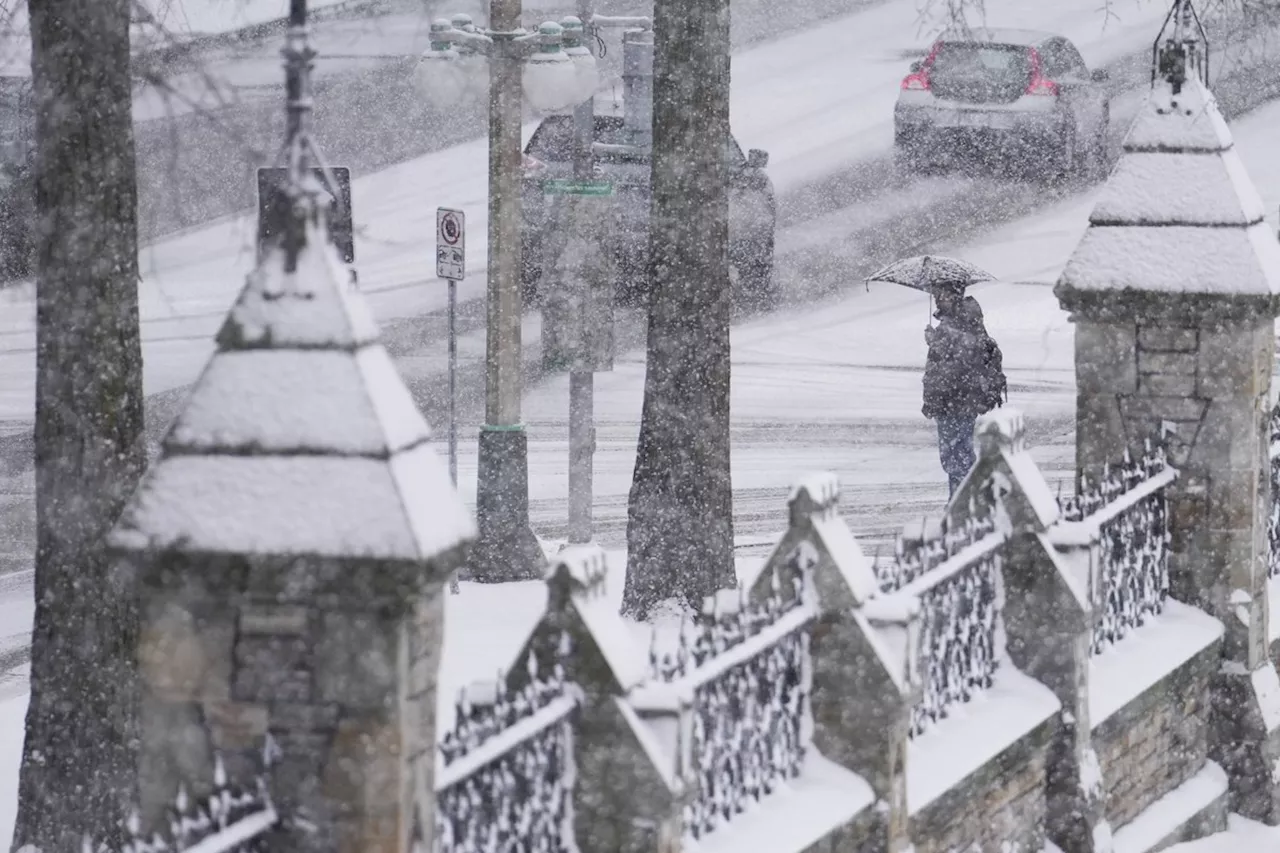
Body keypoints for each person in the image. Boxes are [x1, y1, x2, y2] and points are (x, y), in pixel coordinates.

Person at [921, 288, 1007, 496]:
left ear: (955, 295)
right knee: (957, 454)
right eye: (937, 296)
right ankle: (965, 500)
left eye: (943, 295)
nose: (939, 300)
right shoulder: (958, 322)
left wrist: (937, 342)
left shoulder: (960, 322)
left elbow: (961, 362)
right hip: (953, 400)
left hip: (956, 399)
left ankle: (963, 503)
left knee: (956, 456)